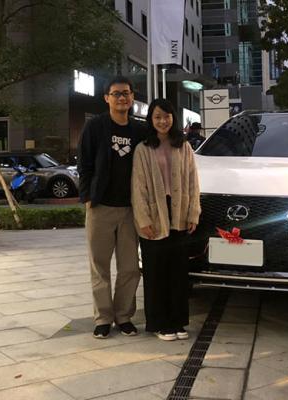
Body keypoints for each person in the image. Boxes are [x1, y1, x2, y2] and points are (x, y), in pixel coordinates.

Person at [77, 76, 147, 339]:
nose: (122, 98)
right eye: (116, 94)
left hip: (130, 209)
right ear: (106, 98)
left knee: (130, 268)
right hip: (101, 206)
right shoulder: (95, 127)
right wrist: (88, 198)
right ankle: (103, 318)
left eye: (126, 93)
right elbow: (84, 164)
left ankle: (124, 316)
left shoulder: (140, 130)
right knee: (100, 266)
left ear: (132, 97)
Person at [131, 98, 201, 341]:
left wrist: (193, 213)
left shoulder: (184, 146)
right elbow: (138, 187)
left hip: (179, 212)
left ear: (173, 118)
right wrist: (143, 219)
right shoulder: (143, 149)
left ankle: (178, 321)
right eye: (157, 117)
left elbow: (193, 182)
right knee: (156, 271)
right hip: (154, 214)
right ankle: (160, 323)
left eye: (167, 116)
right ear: (151, 119)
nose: (163, 121)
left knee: (178, 271)